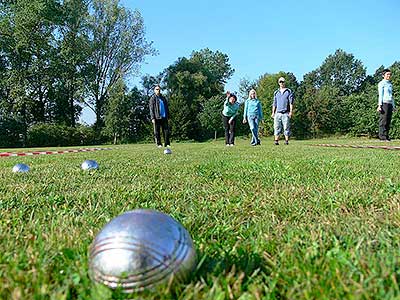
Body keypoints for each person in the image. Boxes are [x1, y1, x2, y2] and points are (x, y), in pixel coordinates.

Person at [271, 77, 294, 145]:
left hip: (285, 113)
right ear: (278, 83)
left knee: (286, 127)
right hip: (277, 113)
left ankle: (286, 141)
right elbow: (274, 103)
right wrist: (273, 112)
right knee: (276, 127)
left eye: (283, 82)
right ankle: (276, 141)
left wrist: (291, 112)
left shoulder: (288, 91)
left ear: (284, 82)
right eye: (280, 82)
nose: (281, 83)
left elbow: (291, 103)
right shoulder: (276, 92)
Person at [377, 69, 395, 141]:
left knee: (388, 120)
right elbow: (380, 95)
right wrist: (379, 105)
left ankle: (387, 135)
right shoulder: (381, 83)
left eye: (390, 74)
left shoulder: (390, 84)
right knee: (383, 120)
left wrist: (393, 106)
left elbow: (391, 95)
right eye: (387, 74)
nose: (389, 76)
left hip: (389, 103)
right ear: (383, 75)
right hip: (384, 103)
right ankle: (382, 136)